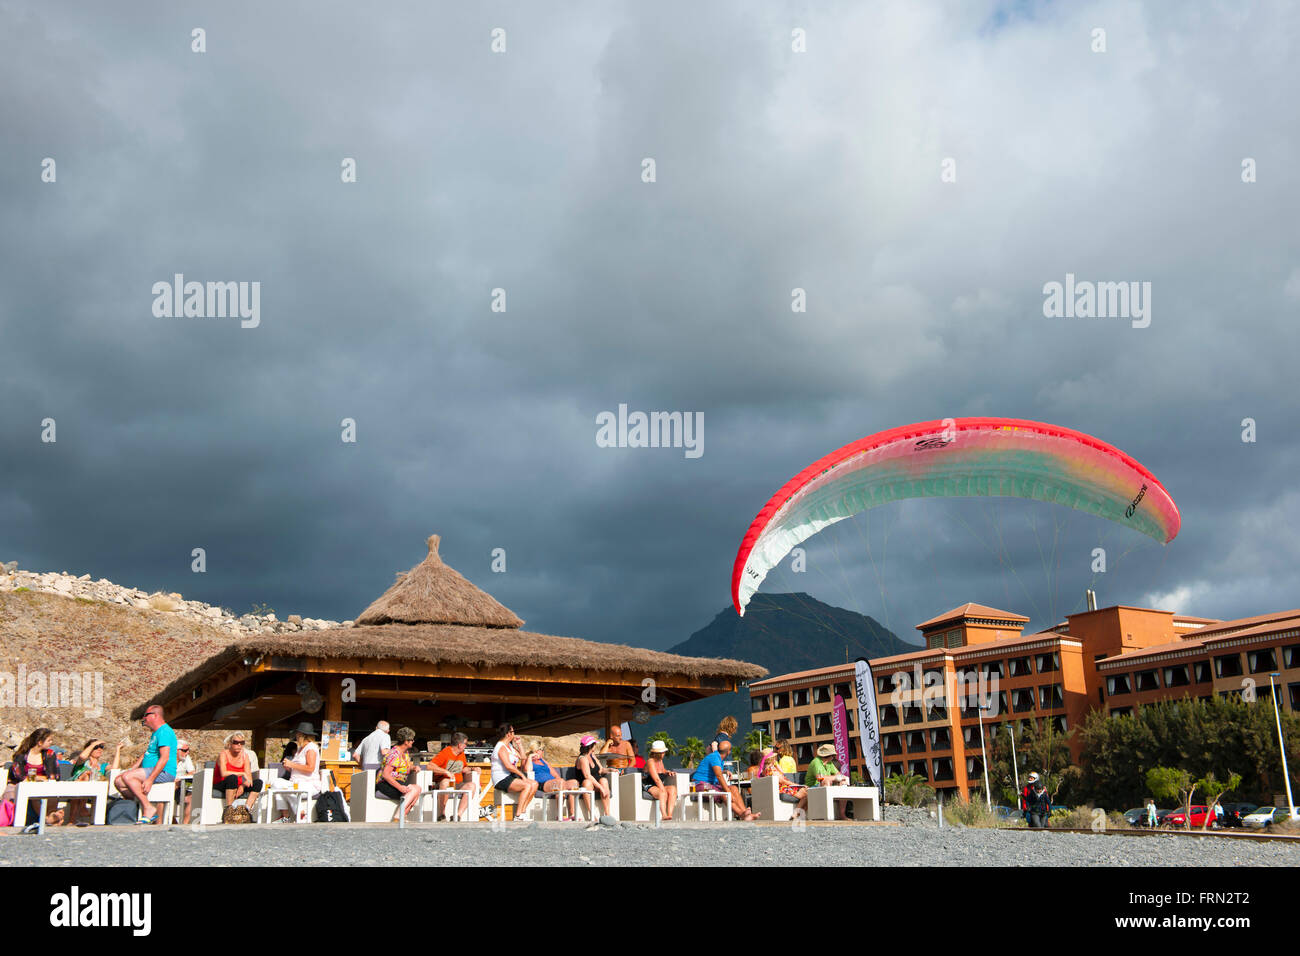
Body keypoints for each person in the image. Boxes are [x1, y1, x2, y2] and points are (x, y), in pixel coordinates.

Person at [114, 704, 177, 825]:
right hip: (150, 770)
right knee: (119, 781)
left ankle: (148, 807)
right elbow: (147, 754)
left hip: (164, 772)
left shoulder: (164, 731)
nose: (144, 719)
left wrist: (150, 780)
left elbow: (164, 758)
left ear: (155, 715)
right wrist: (134, 768)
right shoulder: (156, 733)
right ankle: (136, 806)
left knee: (128, 777)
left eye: (145, 716)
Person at [7, 728, 65, 829]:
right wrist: (37, 778)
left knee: (52, 792)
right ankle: (48, 820)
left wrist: (41, 779)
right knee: (35, 793)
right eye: (49, 740)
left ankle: (50, 817)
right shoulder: (21, 755)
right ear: (40, 742)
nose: (51, 743)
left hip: (42, 785)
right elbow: (19, 776)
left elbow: (54, 775)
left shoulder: (49, 754)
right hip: (22, 785)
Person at [267, 722, 321, 822]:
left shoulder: (311, 748)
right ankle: (287, 816)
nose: (296, 736)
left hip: (309, 784)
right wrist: (289, 767)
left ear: (301, 735)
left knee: (285, 789)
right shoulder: (300, 749)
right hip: (296, 783)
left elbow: (310, 768)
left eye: (297, 734)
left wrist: (292, 764)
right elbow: (298, 767)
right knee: (276, 783)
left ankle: (298, 812)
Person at [692, 740, 758, 821]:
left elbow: (716, 770)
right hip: (701, 784)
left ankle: (746, 813)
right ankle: (742, 815)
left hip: (711, 785)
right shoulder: (715, 757)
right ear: (728, 752)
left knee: (734, 788)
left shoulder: (719, 758)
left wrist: (725, 771)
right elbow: (719, 776)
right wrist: (728, 792)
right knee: (725, 794)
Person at [491, 724, 537, 822]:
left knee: (534, 784)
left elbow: (523, 757)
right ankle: (518, 815)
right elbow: (508, 766)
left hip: (510, 776)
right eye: (513, 732)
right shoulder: (501, 747)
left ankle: (522, 812)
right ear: (508, 734)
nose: (514, 733)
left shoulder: (510, 746)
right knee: (527, 785)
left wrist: (519, 744)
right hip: (501, 778)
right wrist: (521, 775)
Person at [526, 739, 580, 820]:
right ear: (536, 750)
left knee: (574, 783)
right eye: (542, 750)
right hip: (543, 784)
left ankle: (572, 815)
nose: (543, 752)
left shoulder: (543, 761)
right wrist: (530, 757)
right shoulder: (528, 760)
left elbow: (555, 774)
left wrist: (563, 785)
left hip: (554, 784)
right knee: (560, 783)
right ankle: (560, 815)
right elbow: (527, 770)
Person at [377, 727, 422, 823]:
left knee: (417, 788)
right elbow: (385, 774)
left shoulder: (405, 753)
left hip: (397, 782)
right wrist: (400, 787)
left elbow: (404, 766)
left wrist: (413, 767)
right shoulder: (394, 754)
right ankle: (398, 816)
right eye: (411, 740)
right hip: (386, 784)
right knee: (414, 789)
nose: (413, 741)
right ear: (406, 741)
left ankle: (402, 816)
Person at [428, 732, 476, 821]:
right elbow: (430, 766)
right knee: (446, 781)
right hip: (442, 784)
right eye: (465, 744)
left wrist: (473, 769)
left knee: (472, 785)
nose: (466, 746)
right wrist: (445, 772)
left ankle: (457, 815)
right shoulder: (445, 752)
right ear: (460, 745)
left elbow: (463, 768)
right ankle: (441, 815)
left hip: (457, 784)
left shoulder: (461, 754)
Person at [214, 733, 264, 814]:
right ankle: (229, 811)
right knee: (232, 778)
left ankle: (246, 810)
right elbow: (224, 773)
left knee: (258, 782)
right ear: (230, 743)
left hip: (237, 783)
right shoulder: (223, 754)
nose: (239, 745)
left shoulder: (245, 756)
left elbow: (249, 778)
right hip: (222, 782)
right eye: (236, 742)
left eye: (242, 743)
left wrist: (242, 787)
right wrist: (241, 773)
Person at [574, 734, 612, 818]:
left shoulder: (592, 756)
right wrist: (600, 787)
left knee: (604, 780)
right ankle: (592, 815)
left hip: (595, 783)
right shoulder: (582, 758)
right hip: (586, 784)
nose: (595, 746)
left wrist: (611, 770)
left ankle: (607, 814)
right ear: (591, 746)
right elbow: (587, 775)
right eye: (594, 744)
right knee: (587, 782)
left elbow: (601, 770)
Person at [642, 739, 678, 821]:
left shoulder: (660, 760)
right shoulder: (650, 761)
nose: (663, 754)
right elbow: (656, 779)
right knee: (663, 792)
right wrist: (662, 789)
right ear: (656, 753)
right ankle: (664, 815)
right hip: (649, 785)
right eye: (662, 752)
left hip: (658, 785)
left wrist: (668, 772)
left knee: (673, 789)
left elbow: (662, 770)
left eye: (663, 752)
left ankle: (670, 814)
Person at [175, 738, 196, 824]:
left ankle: (185, 823)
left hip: (181, 783)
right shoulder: (167, 758)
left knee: (192, 796)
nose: (187, 753)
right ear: (177, 750)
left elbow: (192, 772)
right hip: (169, 784)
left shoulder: (186, 758)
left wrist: (180, 778)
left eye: (188, 750)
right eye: (184, 750)